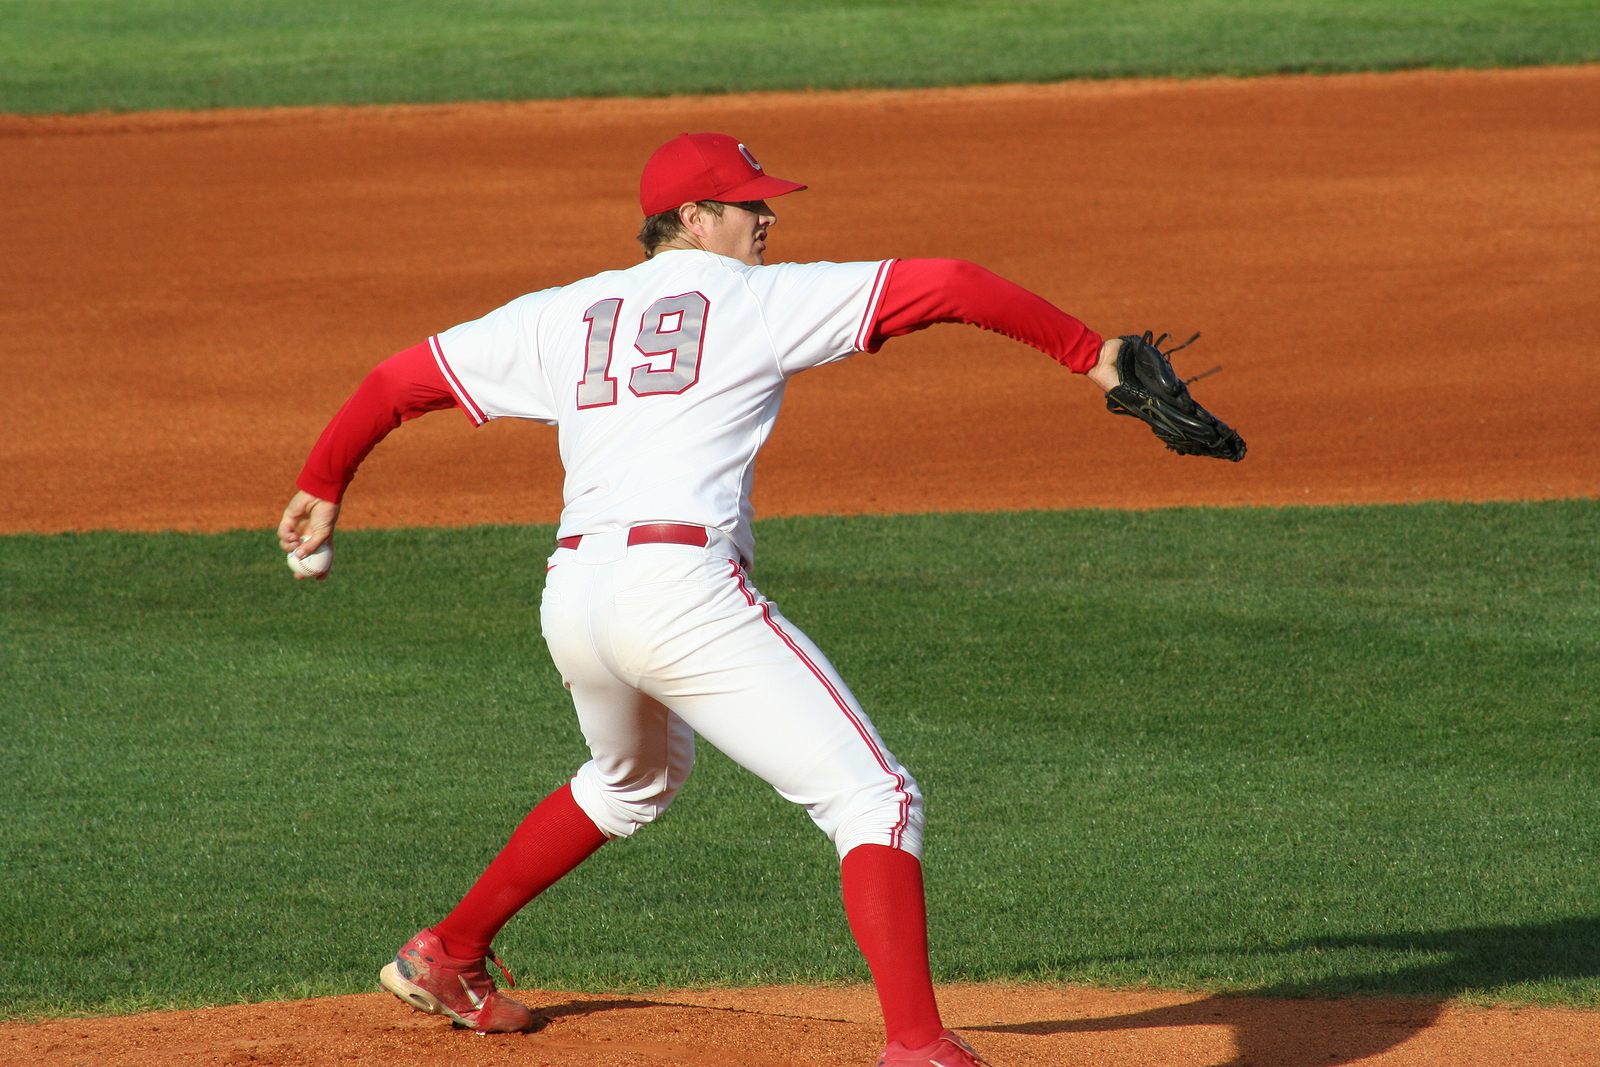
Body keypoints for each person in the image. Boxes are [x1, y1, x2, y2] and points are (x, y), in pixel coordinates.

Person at [277, 132, 1125, 1067]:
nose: (769, 217)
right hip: (678, 593)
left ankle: (449, 952)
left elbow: (396, 380)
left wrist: (324, 481)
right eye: (749, 203)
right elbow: (954, 282)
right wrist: (1092, 353)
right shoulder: (755, 299)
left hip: (576, 597)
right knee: (874, 798)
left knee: (629, 781)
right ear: (692, 218)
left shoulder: (563, 312)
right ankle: (919, 1047)